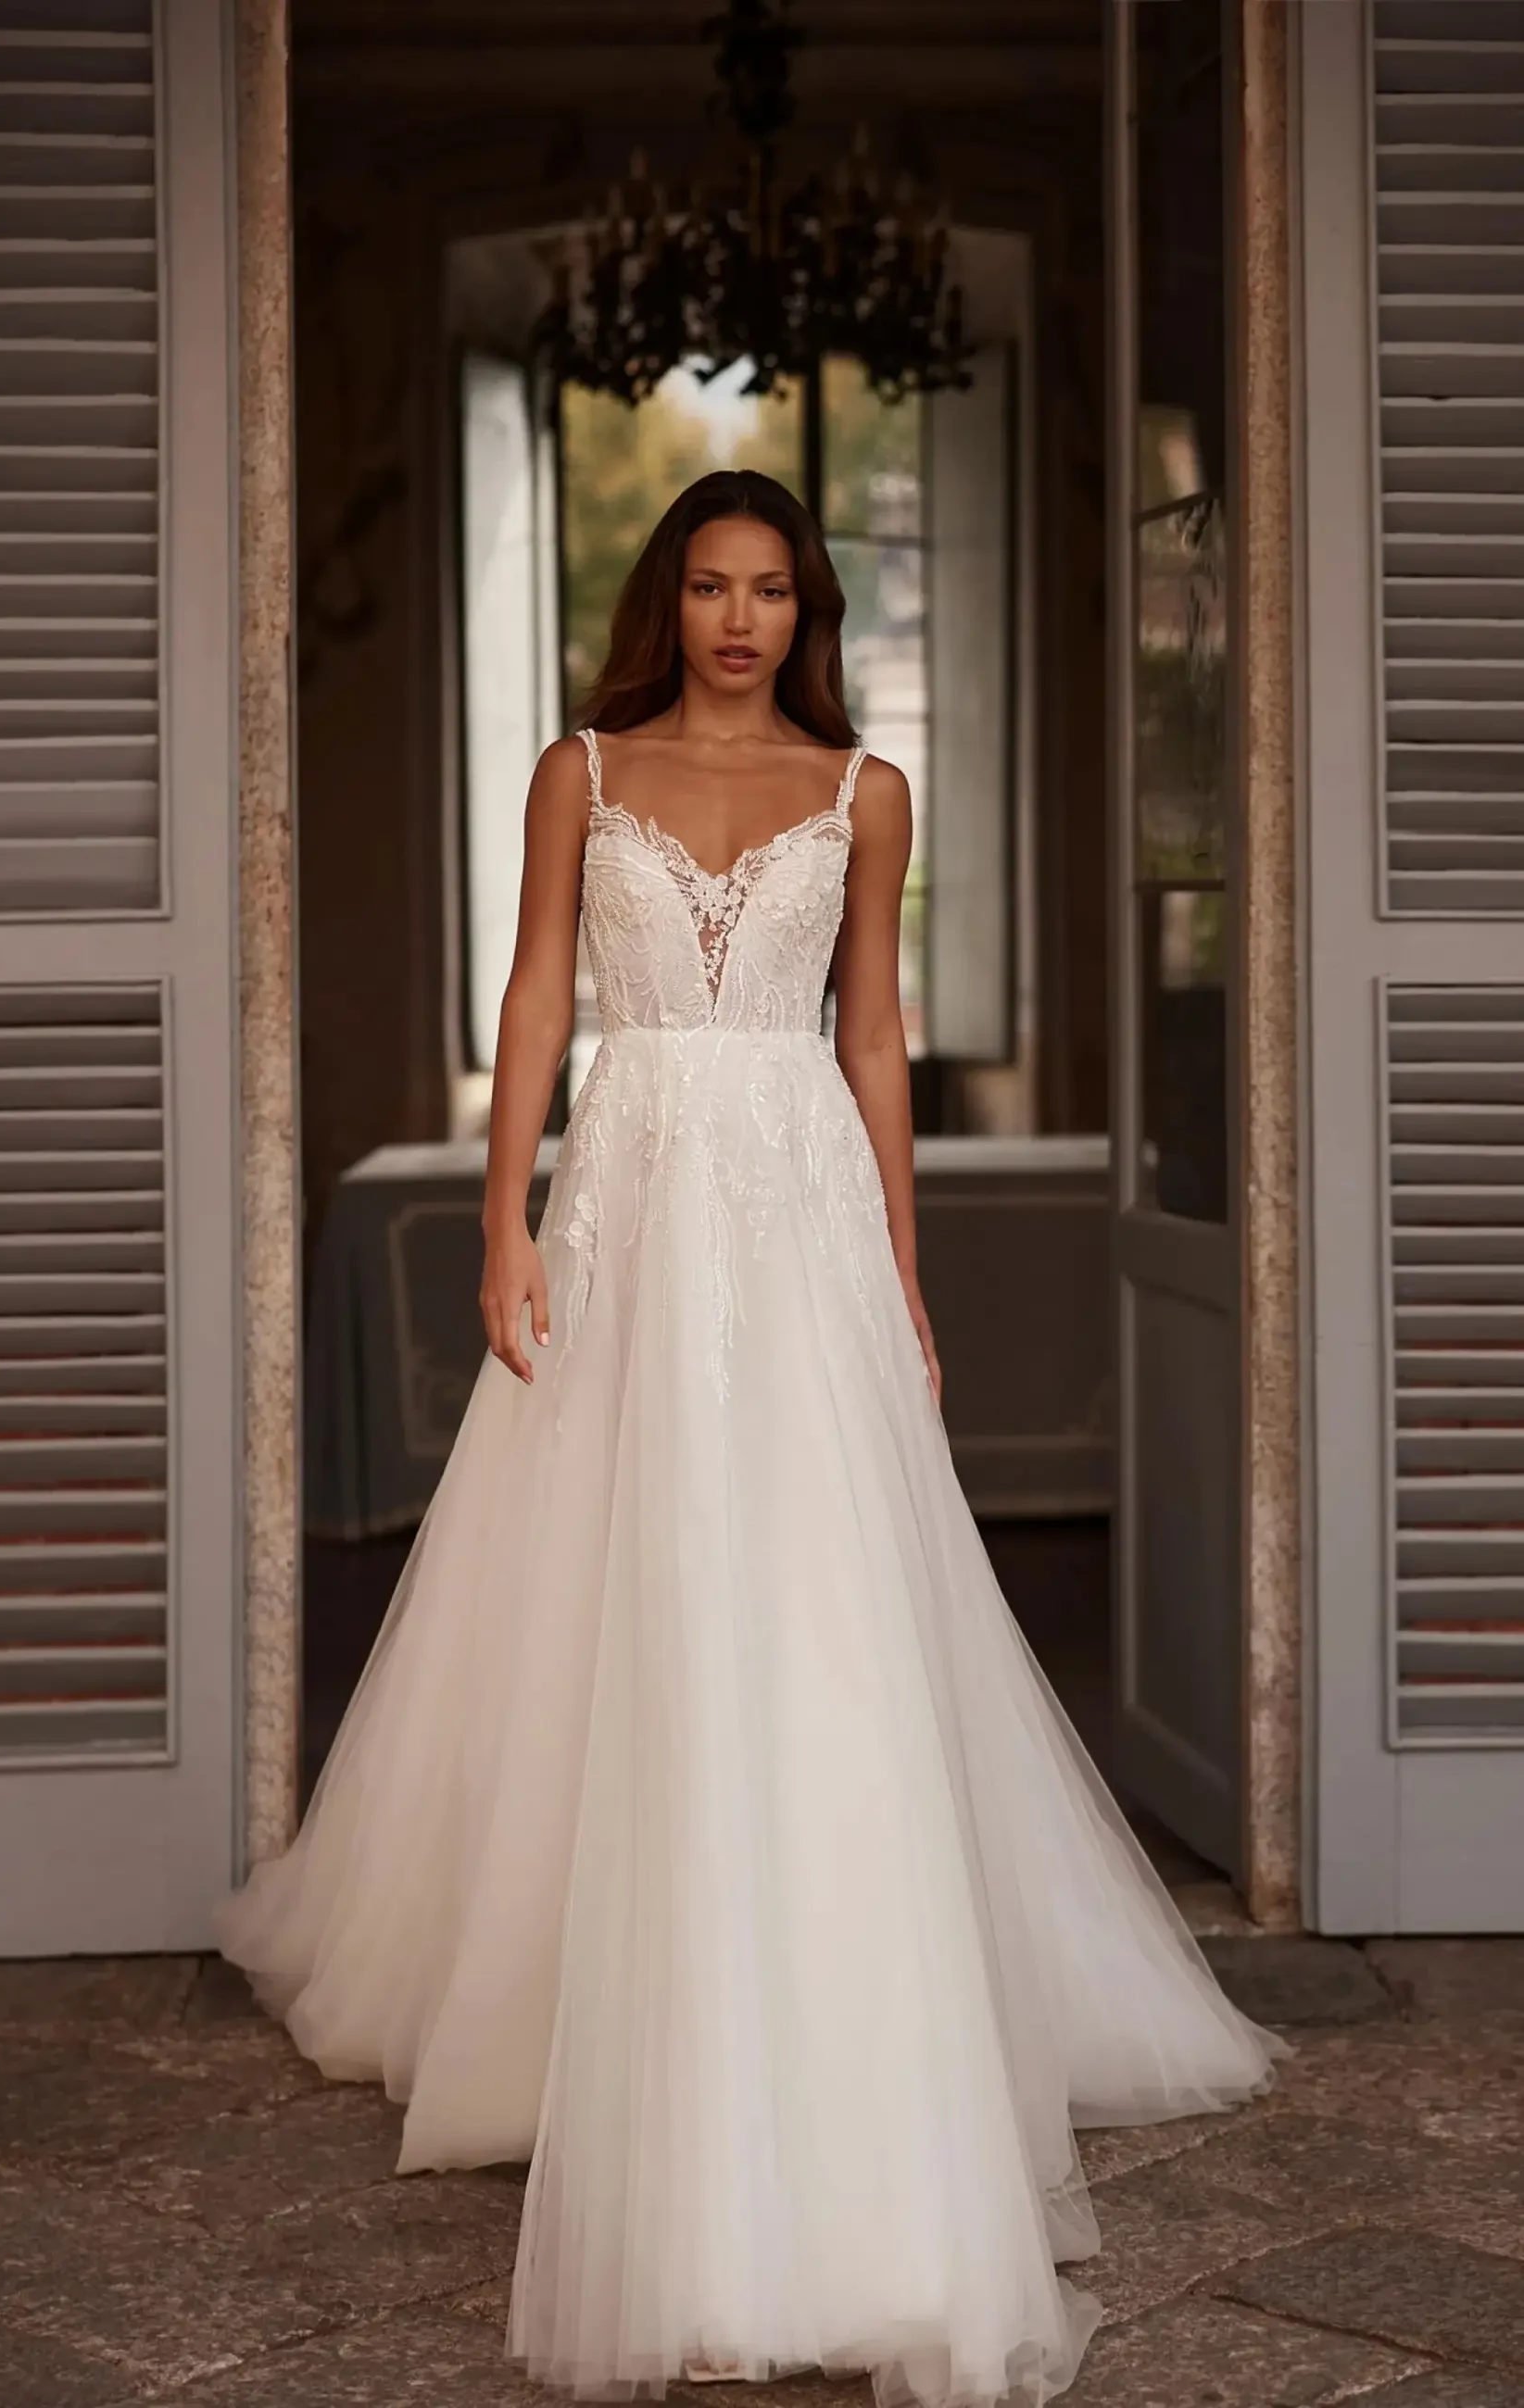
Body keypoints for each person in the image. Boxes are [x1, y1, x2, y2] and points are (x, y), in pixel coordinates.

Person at [216, 468, 1287, 2408]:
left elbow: (875, 1032)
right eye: (707, 586)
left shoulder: (864, 793)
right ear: (667, 598)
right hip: (628, 1197)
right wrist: (500, 1221)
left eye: (772, 591)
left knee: (813, 1602)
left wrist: (906, 1264)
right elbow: (538, 992)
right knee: (601, 1587)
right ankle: (570, 2010)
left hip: (795, 1215)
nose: (736, 619)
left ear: (809, 611)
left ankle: (829, 1993)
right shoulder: (581, 773)